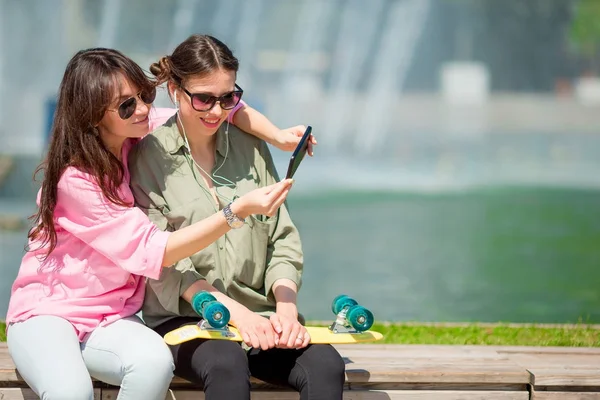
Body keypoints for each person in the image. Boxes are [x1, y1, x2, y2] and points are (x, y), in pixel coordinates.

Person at [4, 47, 298, 400]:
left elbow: (227, 109)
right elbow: (157, 250)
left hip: (111, 317)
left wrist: (278, 138)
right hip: (48, 314)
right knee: (71, 391)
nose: (143, 108)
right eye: (127, 104)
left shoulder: (136, 130)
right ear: (93, 115)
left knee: (154, 364)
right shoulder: (75, 180)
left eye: (144, 95)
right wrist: (235, 212)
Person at [128, 34, 345, 400]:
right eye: (204, 98)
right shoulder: (147, 158)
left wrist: (286, 311)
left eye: (228, 97)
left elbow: (283, 239)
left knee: (326, 364)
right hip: (188, 320)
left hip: (262, 317)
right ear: (175, 91)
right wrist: (236, 315)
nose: (216, 111)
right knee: (226, 362)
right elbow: (164, 263)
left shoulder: (252, 148)